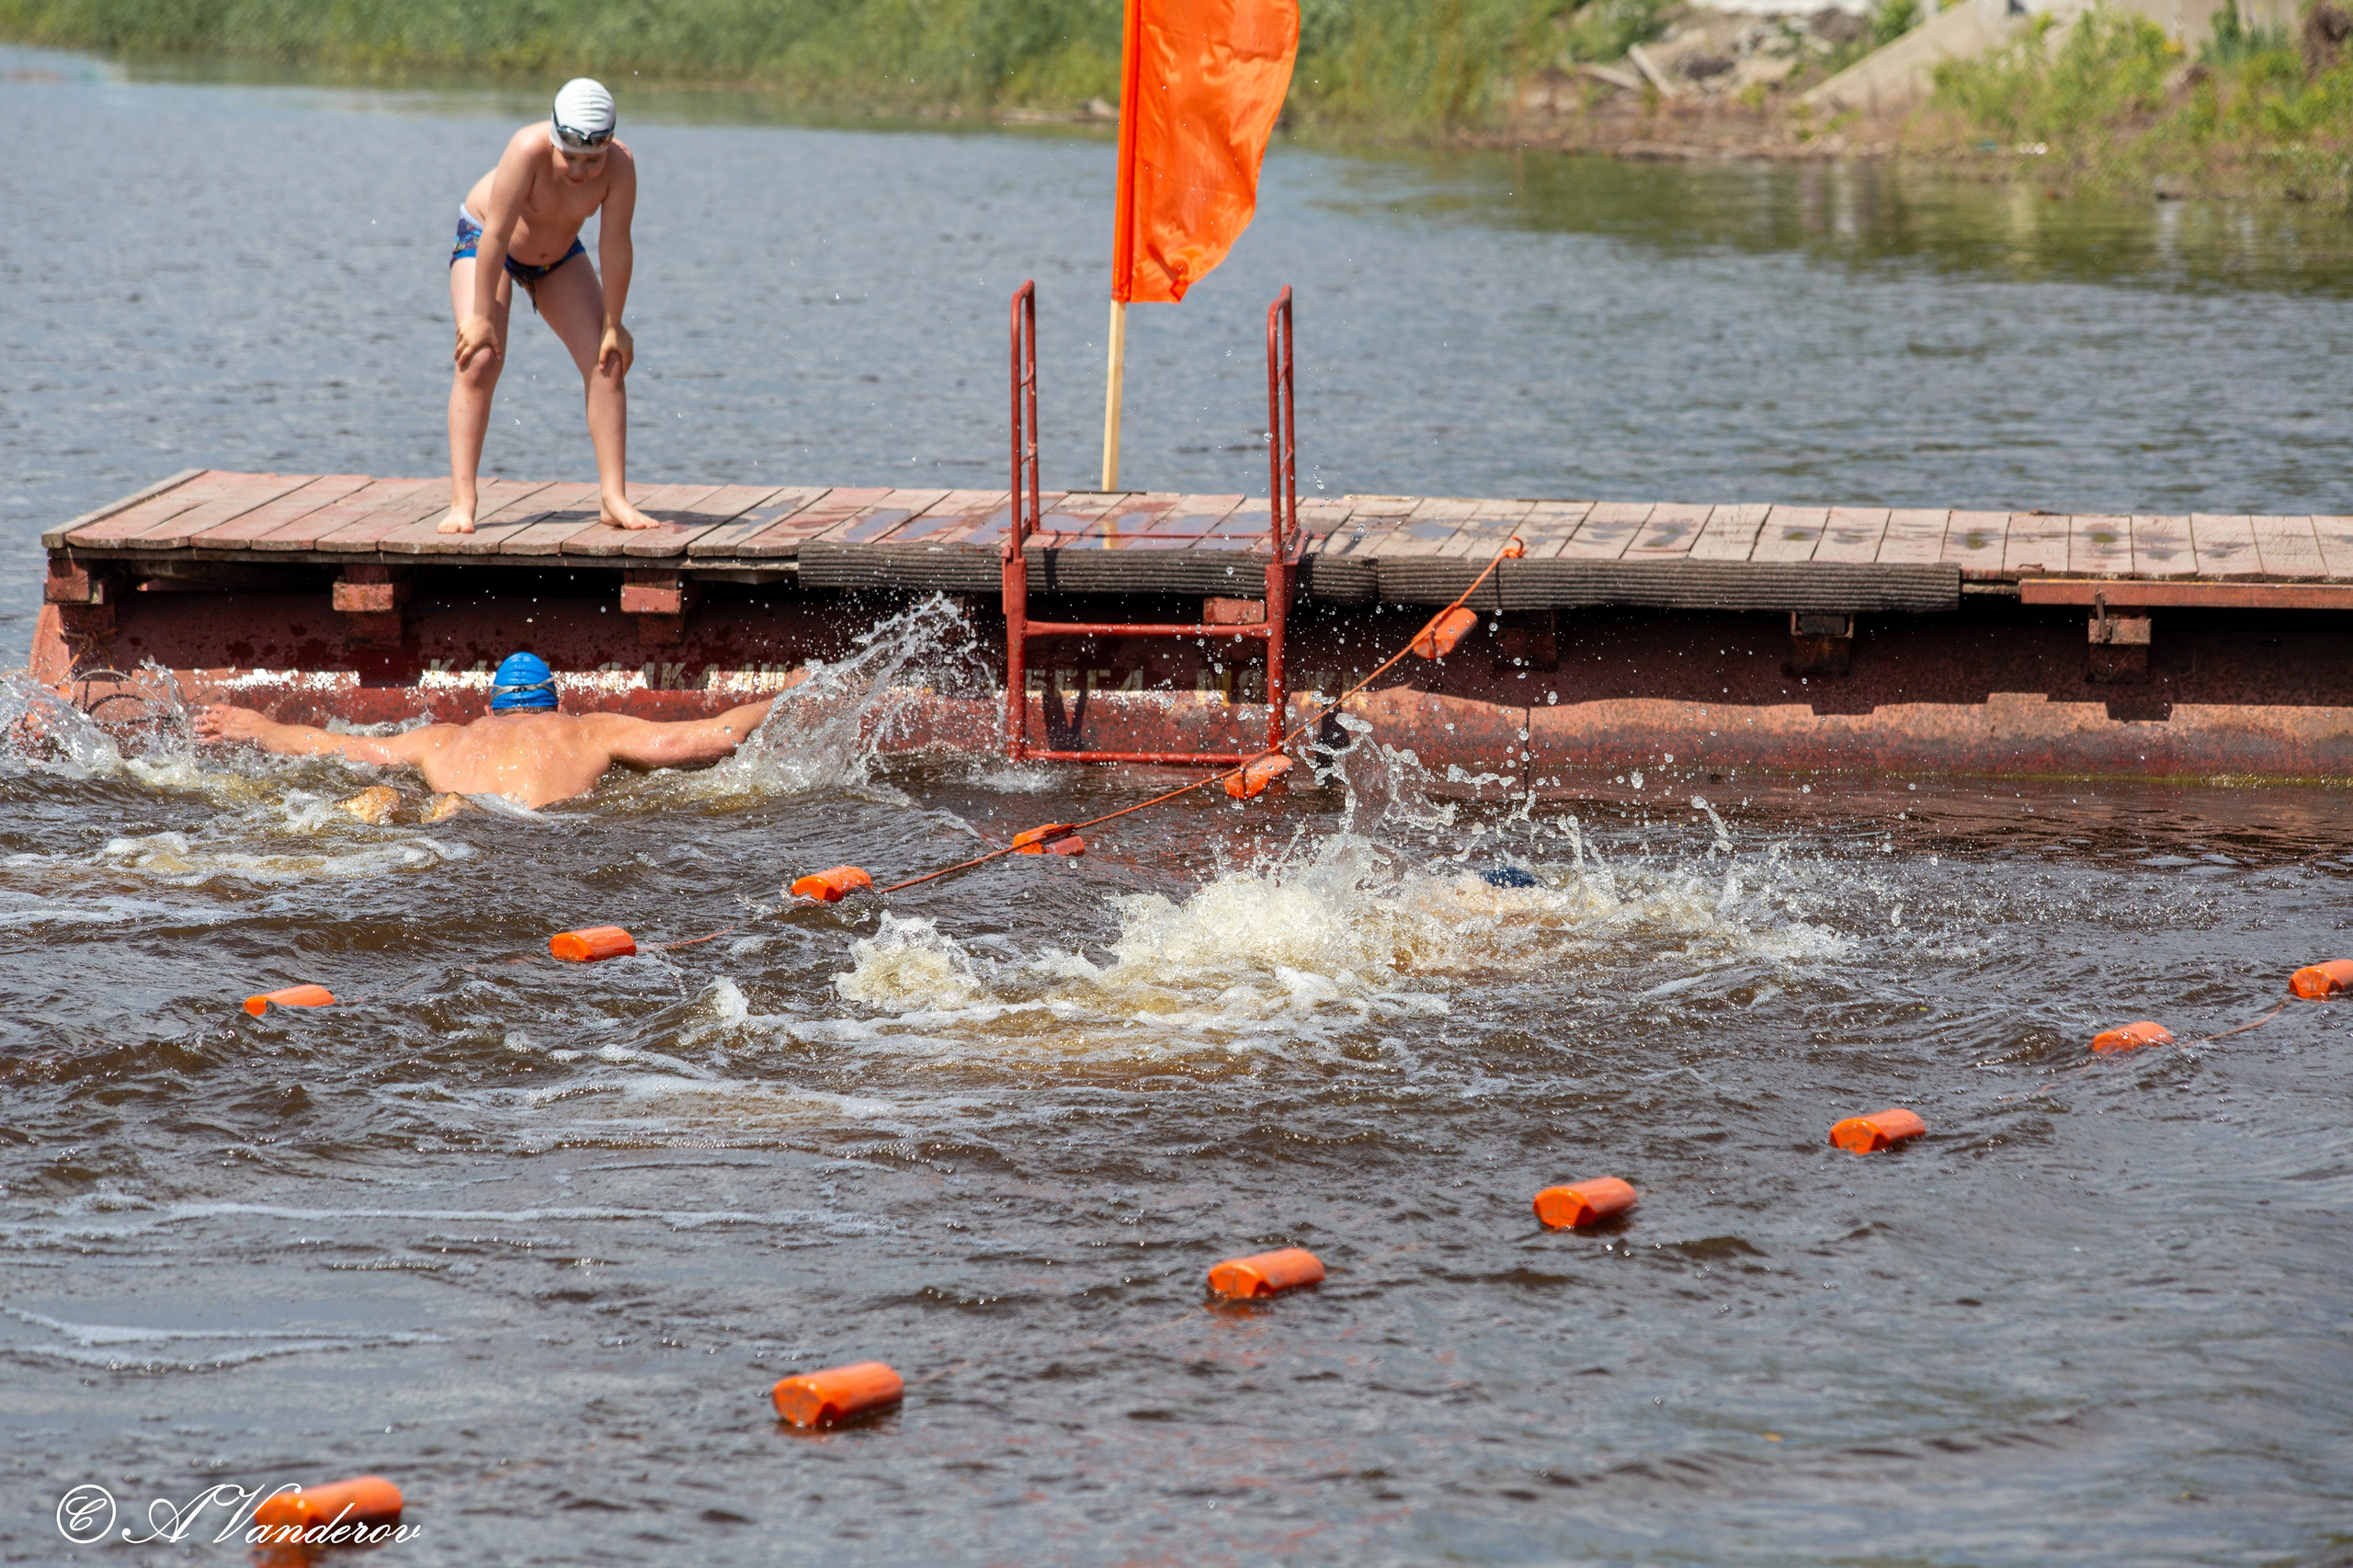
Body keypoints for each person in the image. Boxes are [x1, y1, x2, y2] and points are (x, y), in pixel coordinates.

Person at [444, 79, 656, 535]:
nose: (579, 172)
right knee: (479, 358)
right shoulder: (526, 149)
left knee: (608, 360)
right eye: (570, 157)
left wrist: (614, 325)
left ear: (608, 147)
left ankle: (613, 497)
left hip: (556, 255)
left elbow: (616, 246)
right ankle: (463, 500)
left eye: (591, 160)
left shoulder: (621, 166)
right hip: (486, 241)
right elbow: (497, 234)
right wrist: (481, 316)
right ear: (555, 137)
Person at [194, 653, 802, 809]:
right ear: (551, 701)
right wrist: (788, 695)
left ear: (494, 705)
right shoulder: (585, 731)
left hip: (463, 822)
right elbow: (707, 738)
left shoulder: (445, 738)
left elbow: (343, 747)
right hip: (538, 836)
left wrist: (259, 727)